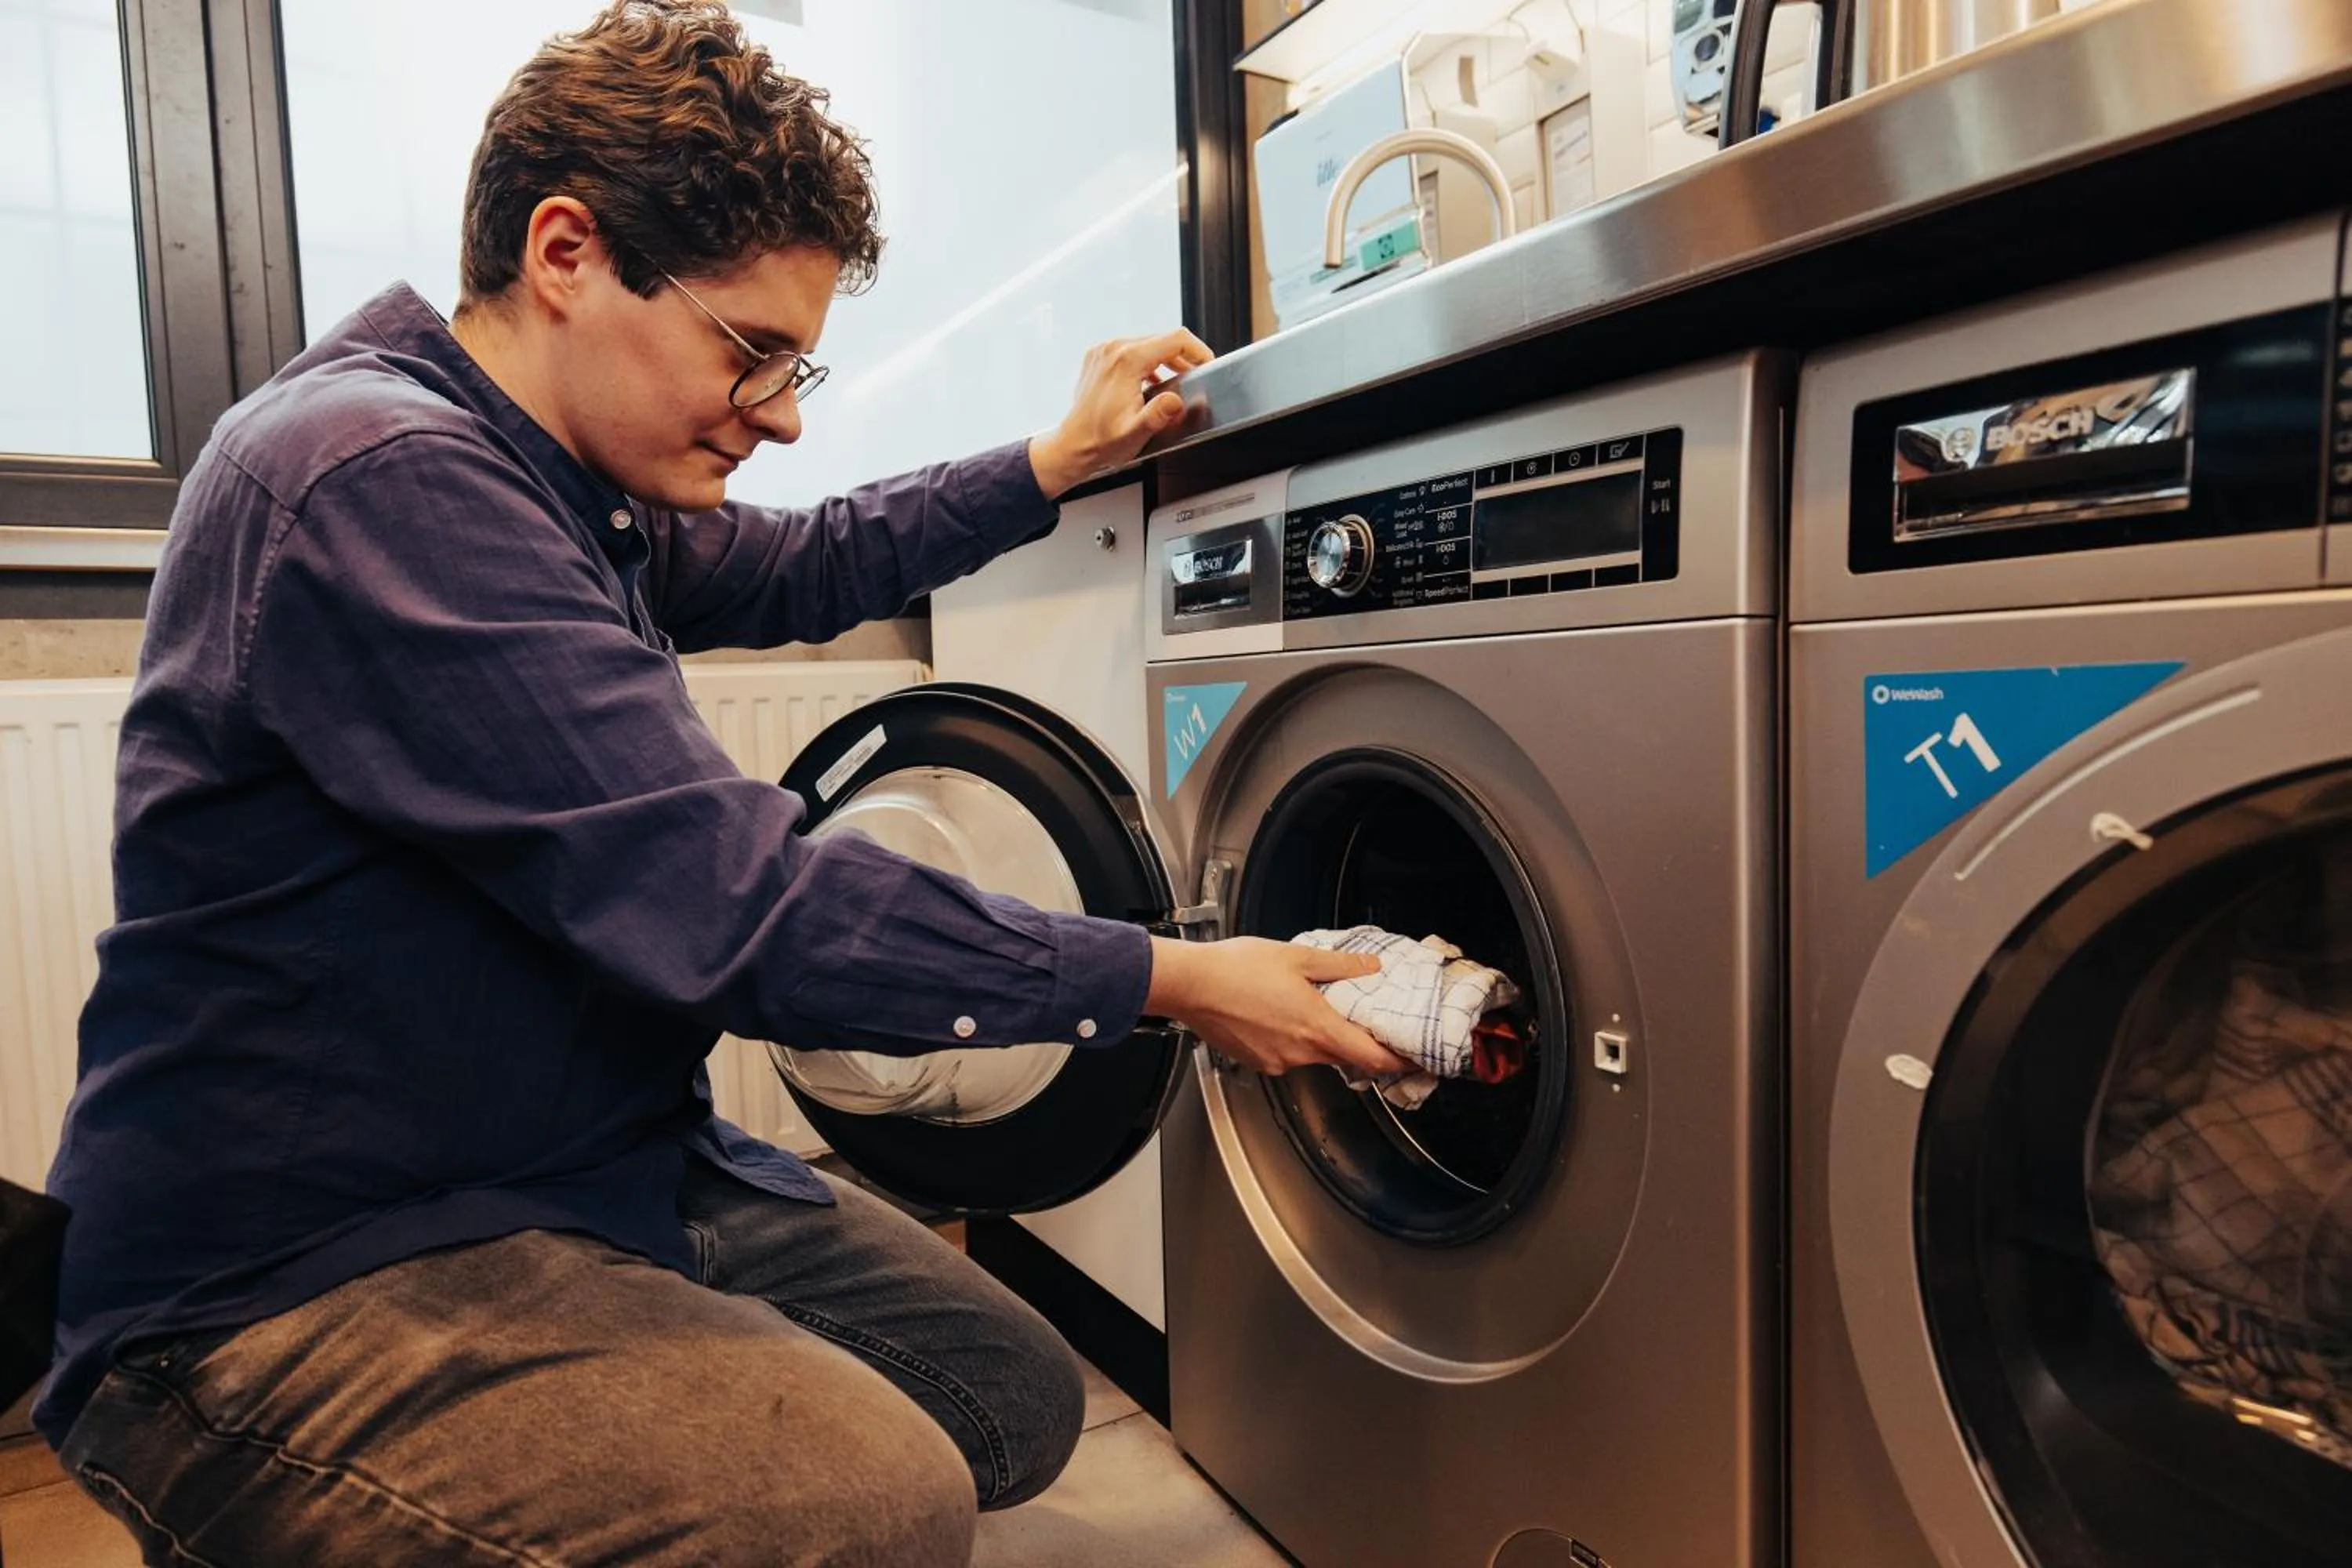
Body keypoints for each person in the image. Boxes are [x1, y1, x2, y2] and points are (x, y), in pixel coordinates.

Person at [34, 4, 1402, 1563]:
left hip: (561, 1169)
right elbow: (740, 908)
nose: (785, 411)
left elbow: (813, 556)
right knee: (871, 1504)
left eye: (800, 361)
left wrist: (1048, 463)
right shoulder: (379, 472)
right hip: (294, 1269)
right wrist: (1172, 977)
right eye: (751, 351)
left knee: (1001, 1401)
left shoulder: (557, 479)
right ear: (568, 251)